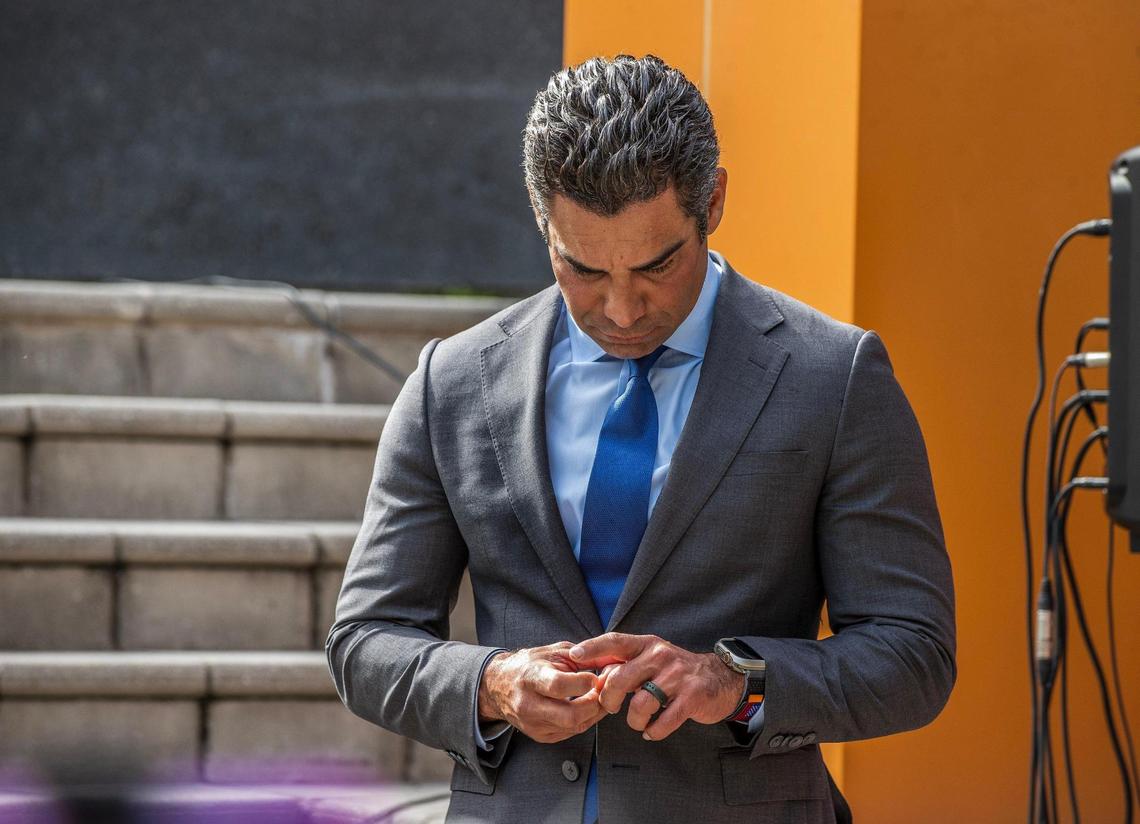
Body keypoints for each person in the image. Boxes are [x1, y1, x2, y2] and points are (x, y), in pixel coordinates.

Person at [326, 53, 955, 824]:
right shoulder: (451, 381)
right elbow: (364, 641)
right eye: (581, 268)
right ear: (541, 223)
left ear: (713, 200)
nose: (621, 309)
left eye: (657, 265)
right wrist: (493, 683)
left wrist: (738, 681)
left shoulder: (835, 377)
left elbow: (913, 653)